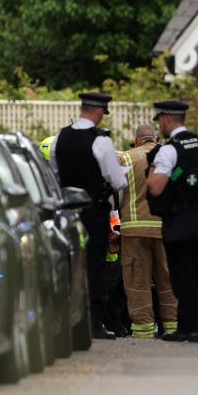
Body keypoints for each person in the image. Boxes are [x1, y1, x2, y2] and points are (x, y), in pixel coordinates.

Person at [146, 100, 198, 342]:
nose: (160, 125)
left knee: (184, 275)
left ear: (167, 120)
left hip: (179, 221)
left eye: (160, 120)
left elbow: (156, 187)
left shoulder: (169, 150)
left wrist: (155, 171)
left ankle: (188, 327)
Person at [52, 92, 129, 339]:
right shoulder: (101, 140)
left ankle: (64, 321)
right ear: (99, 112)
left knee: (68, 264)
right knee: (93, 266)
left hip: (66, 212)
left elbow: (54, 175)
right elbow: (117, 181)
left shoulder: (60, 137)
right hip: (93, 211)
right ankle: (92, 322)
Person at [117, 124, 178, 339]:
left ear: (136, 140)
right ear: (156, 139)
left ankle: (142, 331)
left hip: (135, 229)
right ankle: (172, 327)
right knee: (169, 279)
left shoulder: (125, 158)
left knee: (137, 281)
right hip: (167, 230)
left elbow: (115, 188)